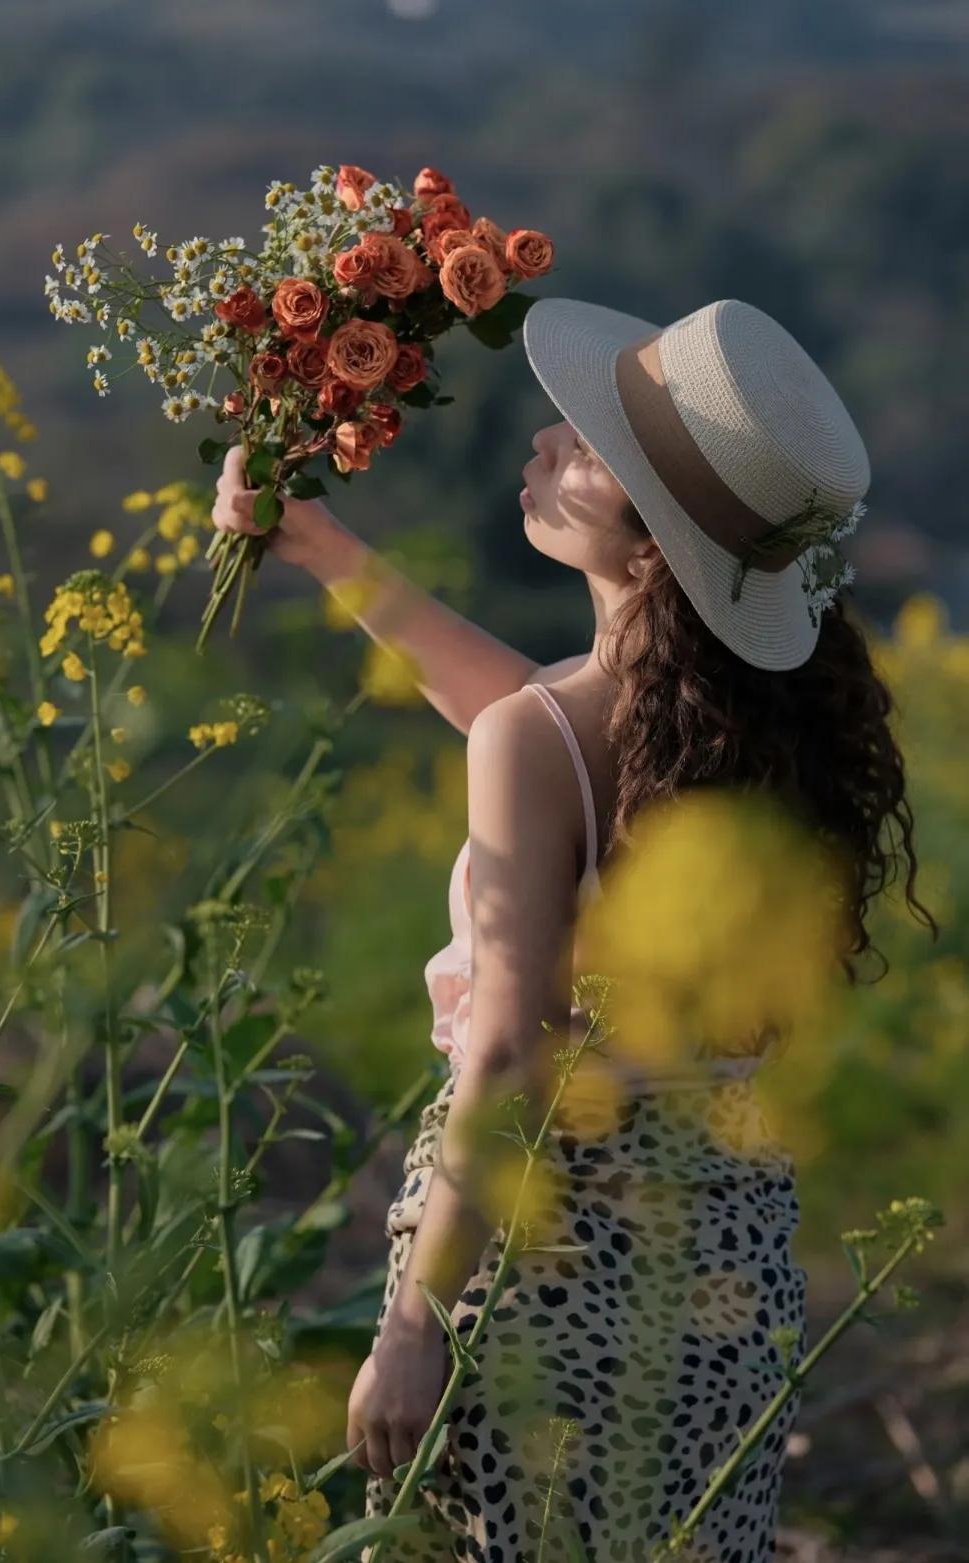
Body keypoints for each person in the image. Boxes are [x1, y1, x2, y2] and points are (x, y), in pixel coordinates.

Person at [211, 298, 938, 1563]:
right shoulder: (735, 732)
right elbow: (524, 716)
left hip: (550, 1276)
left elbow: (505, 1059)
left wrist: (412, 1329)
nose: (545, 442)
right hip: (725, 1269)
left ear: (650, 547)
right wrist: (326, 550)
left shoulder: (553, 742)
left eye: (592, 450)